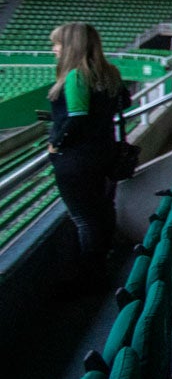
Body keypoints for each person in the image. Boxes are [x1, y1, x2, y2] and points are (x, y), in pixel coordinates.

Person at [47, 22, 131, 290]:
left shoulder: (75, 76)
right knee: (103, 211)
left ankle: (90, 277)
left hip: (77, 160)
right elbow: (125, 103)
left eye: (57, 44)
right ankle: (101, 265)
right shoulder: (109, 73)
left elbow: (77, 118)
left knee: (85, 219)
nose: (54, 49)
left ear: (72, 45)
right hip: (103, 153)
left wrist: (55, 144)